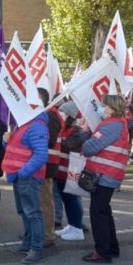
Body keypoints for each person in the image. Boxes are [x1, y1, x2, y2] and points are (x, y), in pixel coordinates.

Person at [80, 95, 129, 263]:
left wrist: (85, 133)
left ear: (112, 108)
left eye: (103, 105)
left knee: (98, 213)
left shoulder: (112, 126)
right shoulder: (117, 124)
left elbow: (88, 148)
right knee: (104, 212)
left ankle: (102, 252)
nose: (100, 108)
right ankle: (111, 248)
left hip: (105, 175)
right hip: (107, 174)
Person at [2, 103, 49, 264]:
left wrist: (23, 172)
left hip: (27, 176)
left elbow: (41, 155)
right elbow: (15, 147)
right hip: (19, 175)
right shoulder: (22, 123)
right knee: (24, 211)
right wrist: (5, 140)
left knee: (32, 212)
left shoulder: (36, 125)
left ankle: (37, 248)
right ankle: (28, 243)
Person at [52, 101, 86, 241]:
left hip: (70, 171)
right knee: (66, 199)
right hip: (60, 171)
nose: (61, 116)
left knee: (72, 200)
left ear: (71, 116)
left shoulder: (76, 130)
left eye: (63, 113)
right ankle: (72, 225)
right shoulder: (62, 128)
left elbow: (68, 146)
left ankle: (77, 228)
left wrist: (54, 139)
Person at [40, 89, 61, 248]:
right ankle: (40, 231)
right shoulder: (45, 114)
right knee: (40, 200)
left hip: (48, 162)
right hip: (42, 161)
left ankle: (48, 235)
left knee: (45, 200)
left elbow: (50, 141)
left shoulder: (51, 116)